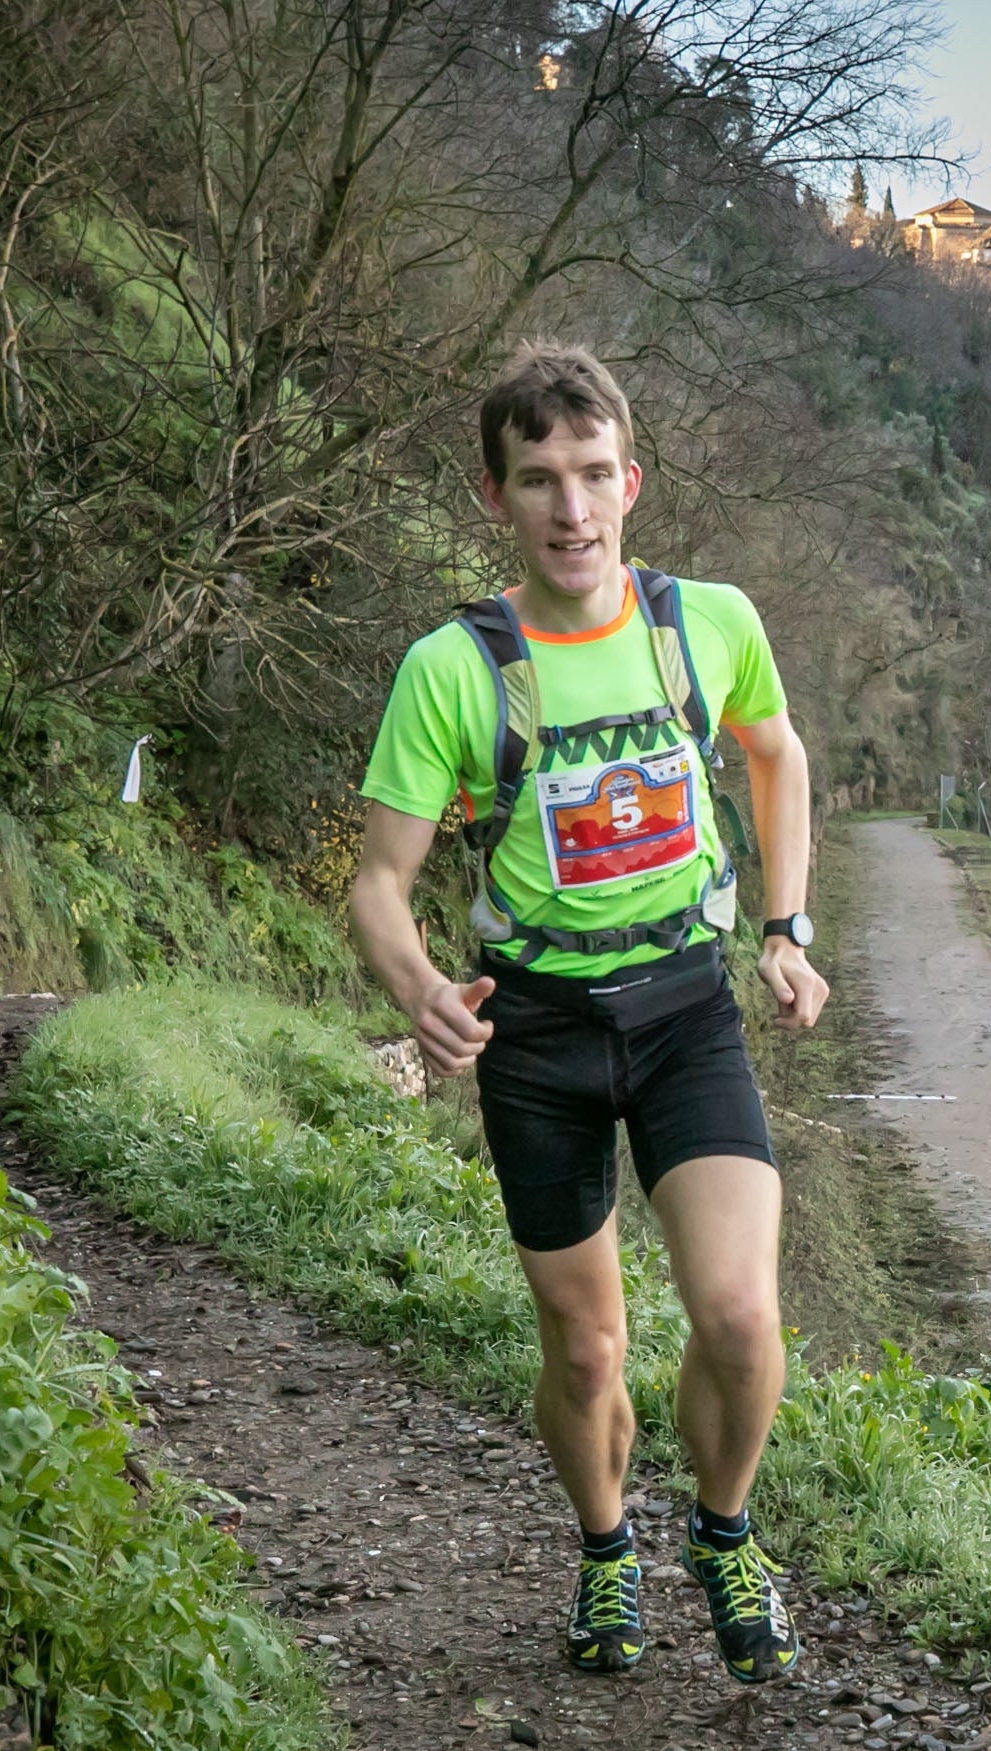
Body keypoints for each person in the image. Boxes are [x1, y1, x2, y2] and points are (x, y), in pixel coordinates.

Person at [349, 341, 828, 1683]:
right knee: (586, 1344)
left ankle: (722, 1533)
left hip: (687, 1013)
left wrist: (785, 928)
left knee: (737, 1316)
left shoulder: (708, 625)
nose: (571, 506)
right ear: (497, 499)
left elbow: (775, 754)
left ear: (634, 480)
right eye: (539, 479)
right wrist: (421, 993)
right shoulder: (450, 670)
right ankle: (607, 1544)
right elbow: (381, 885)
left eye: (592, 473)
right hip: (541, 1039)